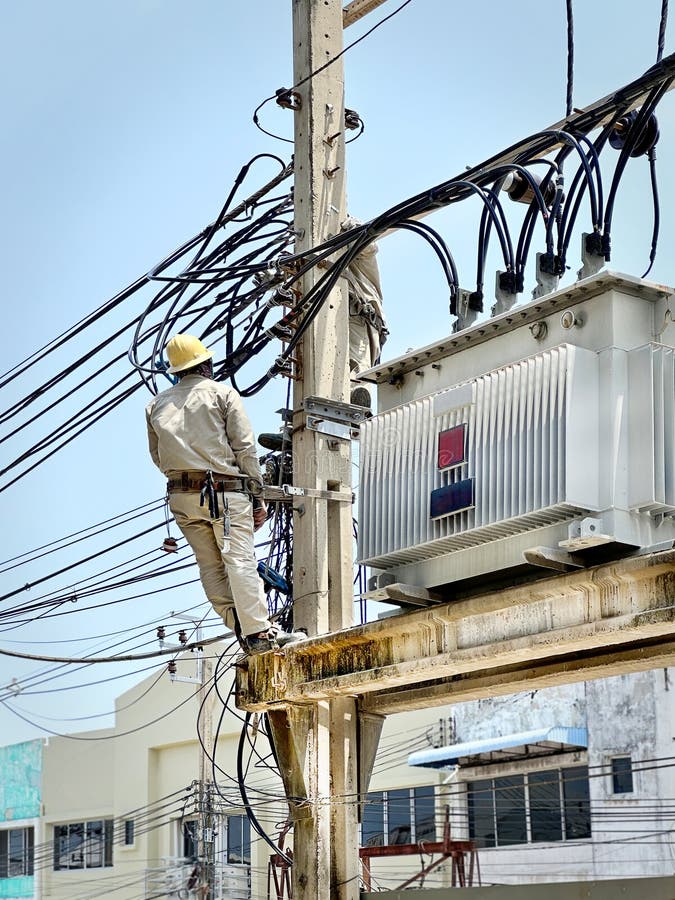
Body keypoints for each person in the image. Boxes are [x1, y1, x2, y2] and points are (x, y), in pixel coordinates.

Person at [145, 333, 305, 653]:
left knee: (210, 566)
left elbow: (158, 458)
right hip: (223, 493)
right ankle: (260, 633)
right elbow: (246, 450)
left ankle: (244, 631)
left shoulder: (155, 405)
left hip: (181, 496)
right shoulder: (221, 394)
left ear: (177, 371)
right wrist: (257, 498)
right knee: (240, 561)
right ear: (206, 364)